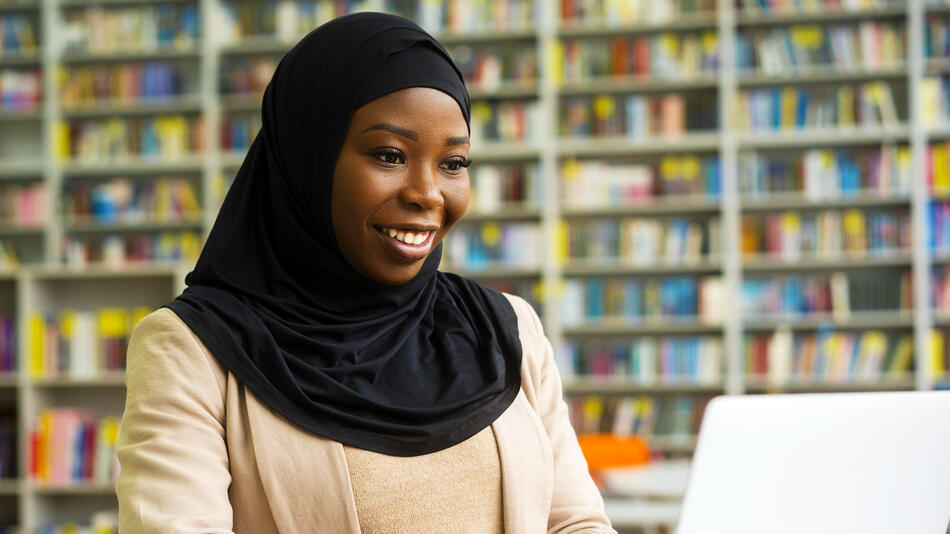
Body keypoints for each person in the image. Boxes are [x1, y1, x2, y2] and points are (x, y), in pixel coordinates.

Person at [115, 12, 615, 534]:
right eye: (389, 155)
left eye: (454, 163)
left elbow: (575, 522)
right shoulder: (193, 349)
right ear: (308, 158)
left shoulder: (507, 329)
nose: (427, 192)